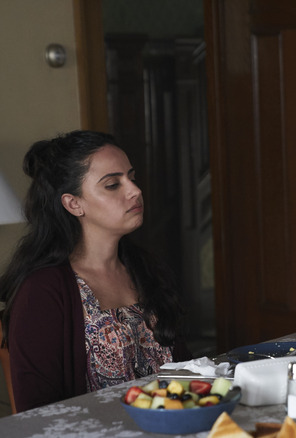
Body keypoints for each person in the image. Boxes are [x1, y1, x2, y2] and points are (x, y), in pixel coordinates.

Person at [0, 131, 191, 412]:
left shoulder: (145, 267)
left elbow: (187, 370)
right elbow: (37, 413)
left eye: (131, 177)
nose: (135, 190)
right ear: (73, 204)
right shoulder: (42, 291)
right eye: (113, 184)